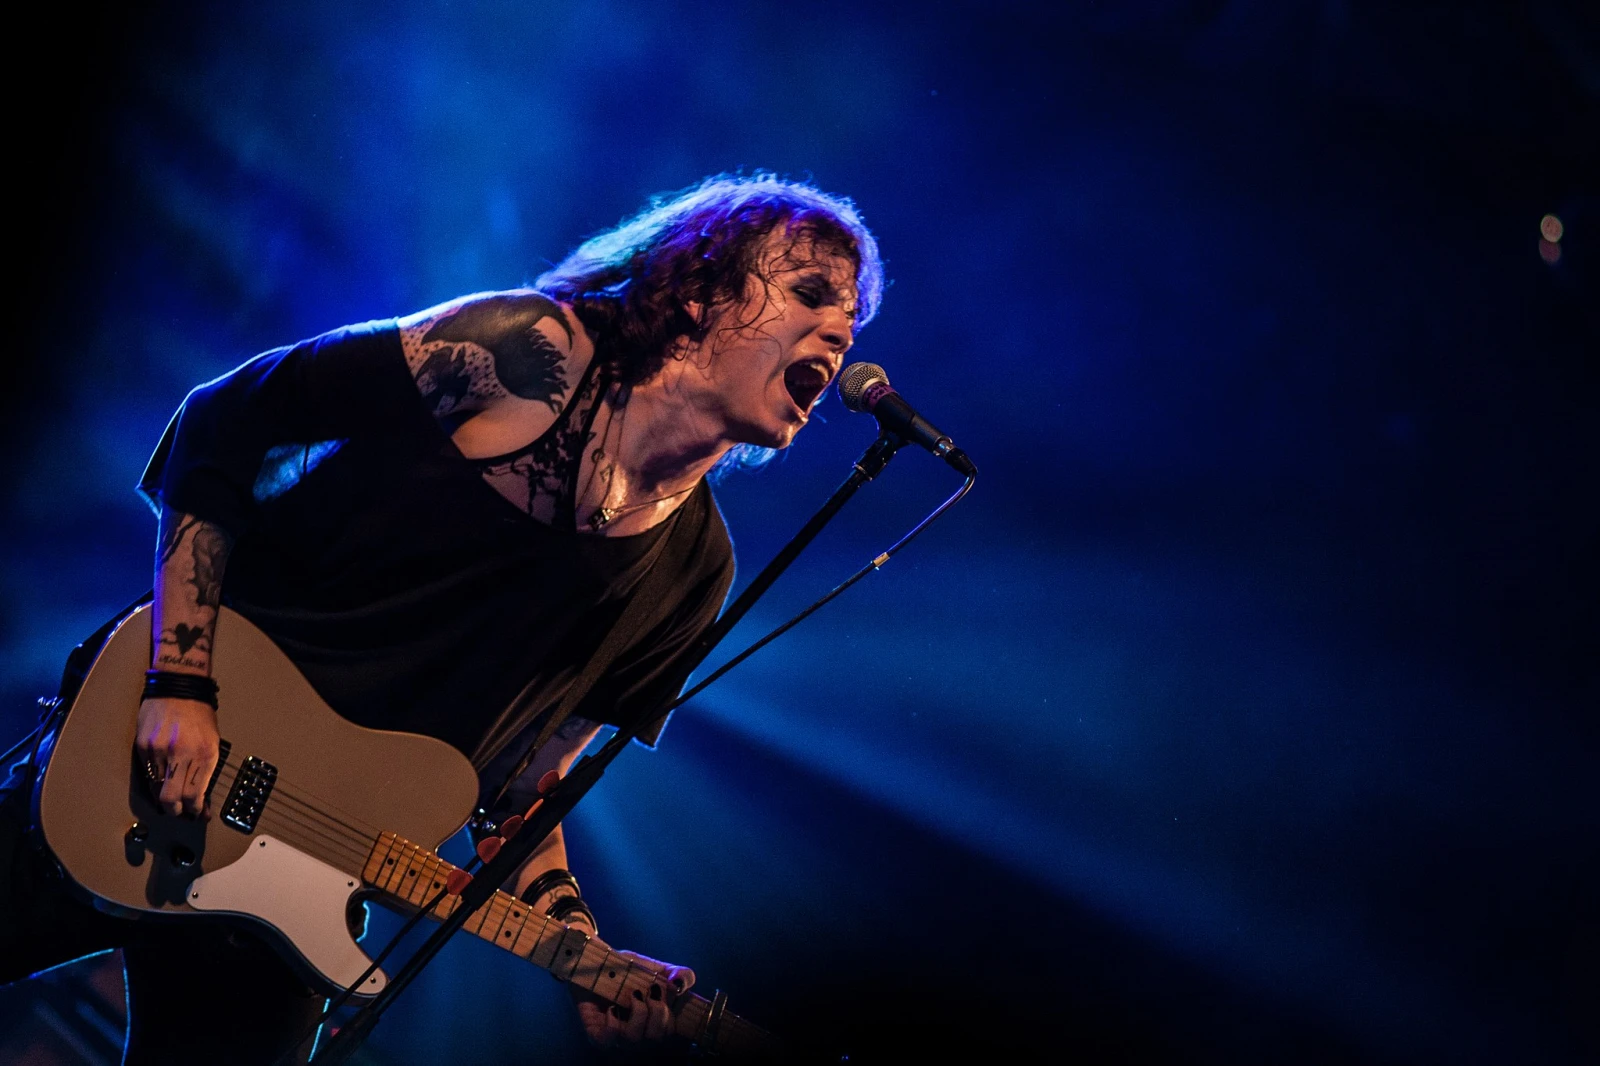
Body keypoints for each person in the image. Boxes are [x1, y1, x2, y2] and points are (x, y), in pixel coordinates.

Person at [0, 173, 883, 1063]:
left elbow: (526, 787)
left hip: (293, 880)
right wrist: (180, 683)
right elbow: (223, 421)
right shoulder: (523, 352)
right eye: (810, 292)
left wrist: (581, 951)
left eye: (851, 322)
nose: (839, 334)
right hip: (155, 749)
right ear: (699, 290)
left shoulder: (695, 571)